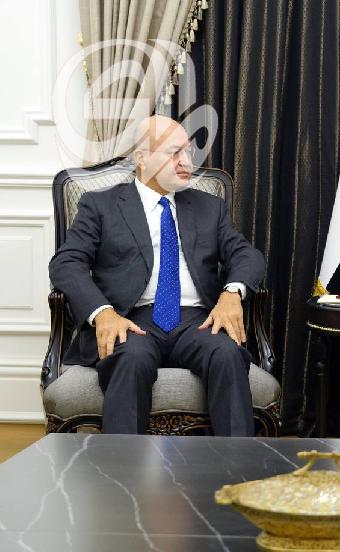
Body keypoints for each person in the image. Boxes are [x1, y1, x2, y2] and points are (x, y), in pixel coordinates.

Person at [49, 115, 265, 436]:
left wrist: (232, 293)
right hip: (130, 320)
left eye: (188, 151)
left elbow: (247, 255)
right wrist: (102, 313)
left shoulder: (209, 207)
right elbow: (66, 263)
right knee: (131, 359)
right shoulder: (101, 205)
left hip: (196, 321)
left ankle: (237, 465)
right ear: (142, 158)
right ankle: (123, 466)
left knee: (227, 354)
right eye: (174, 152)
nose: (187, 161)